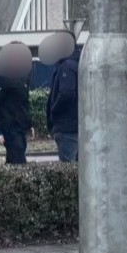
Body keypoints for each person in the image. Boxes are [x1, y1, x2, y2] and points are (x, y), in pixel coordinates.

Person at [46, 32, 80, 162]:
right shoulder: (80, 63)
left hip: (67, 127)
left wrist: (54, 110)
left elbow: (66, 93)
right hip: (78, 125)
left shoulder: (66, 66)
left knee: (67, 171)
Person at [0, 72, 31, 165]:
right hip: (9, 129)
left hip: (21, 130)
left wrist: (29, 126)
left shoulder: (24, 76)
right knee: (19, 164)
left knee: (14, 163)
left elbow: (24, 103)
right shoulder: (1, 77)